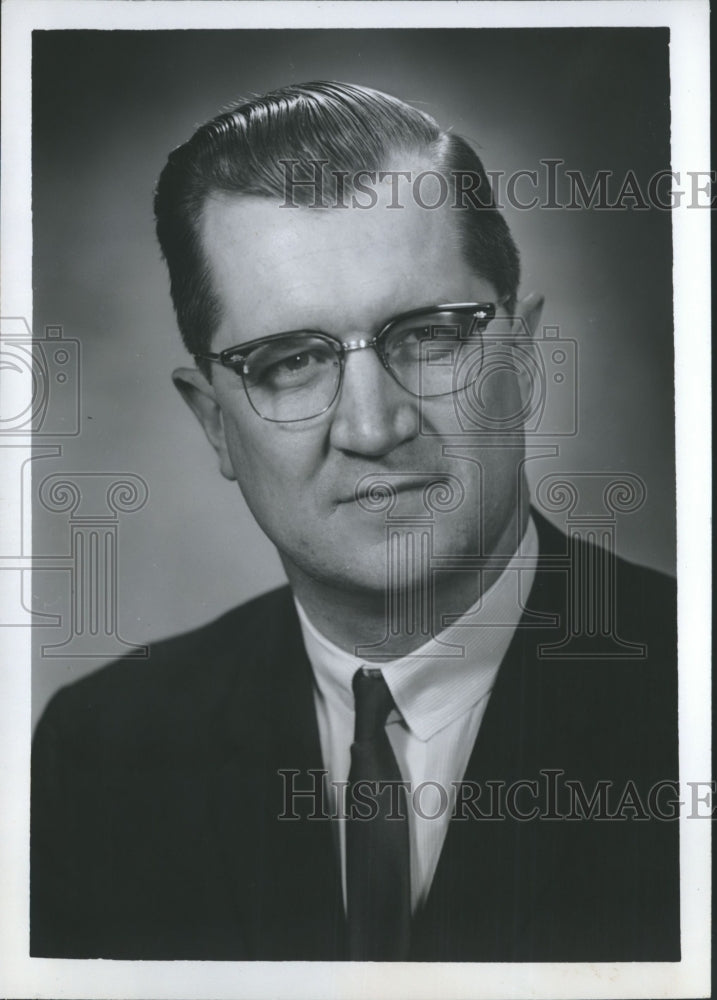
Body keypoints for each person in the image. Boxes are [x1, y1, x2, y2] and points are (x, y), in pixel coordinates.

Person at [31, 81, 679, 962]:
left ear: (522, 362)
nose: (374, 427)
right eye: (289, 362)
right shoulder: (100, 758)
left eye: (431, 335)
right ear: (215, 422)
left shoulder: (691, 696)